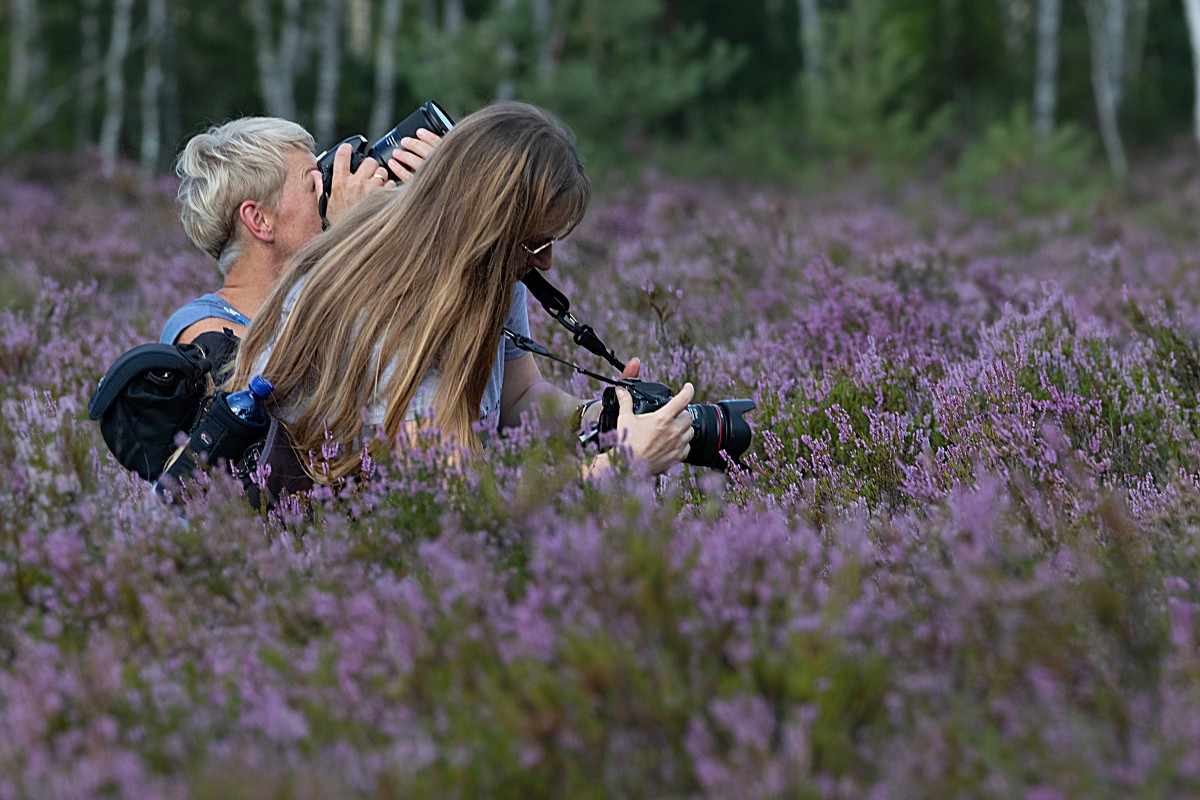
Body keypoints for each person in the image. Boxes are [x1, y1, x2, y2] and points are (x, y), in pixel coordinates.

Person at [228, 101, 693, 484]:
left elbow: (518, 396)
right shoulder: (390, 311)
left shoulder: (484, 269)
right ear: (485, 227)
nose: (545, 262)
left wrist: (601, 419)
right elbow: (465, 508)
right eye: (535, 241)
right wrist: (622, 464)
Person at [159, 115, 442, 362]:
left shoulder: (324, 303)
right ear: (259, 220)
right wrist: (349, 235)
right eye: (313, 183)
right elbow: (296, 397)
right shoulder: (204, 335)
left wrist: (437, 200)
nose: (329, 193)